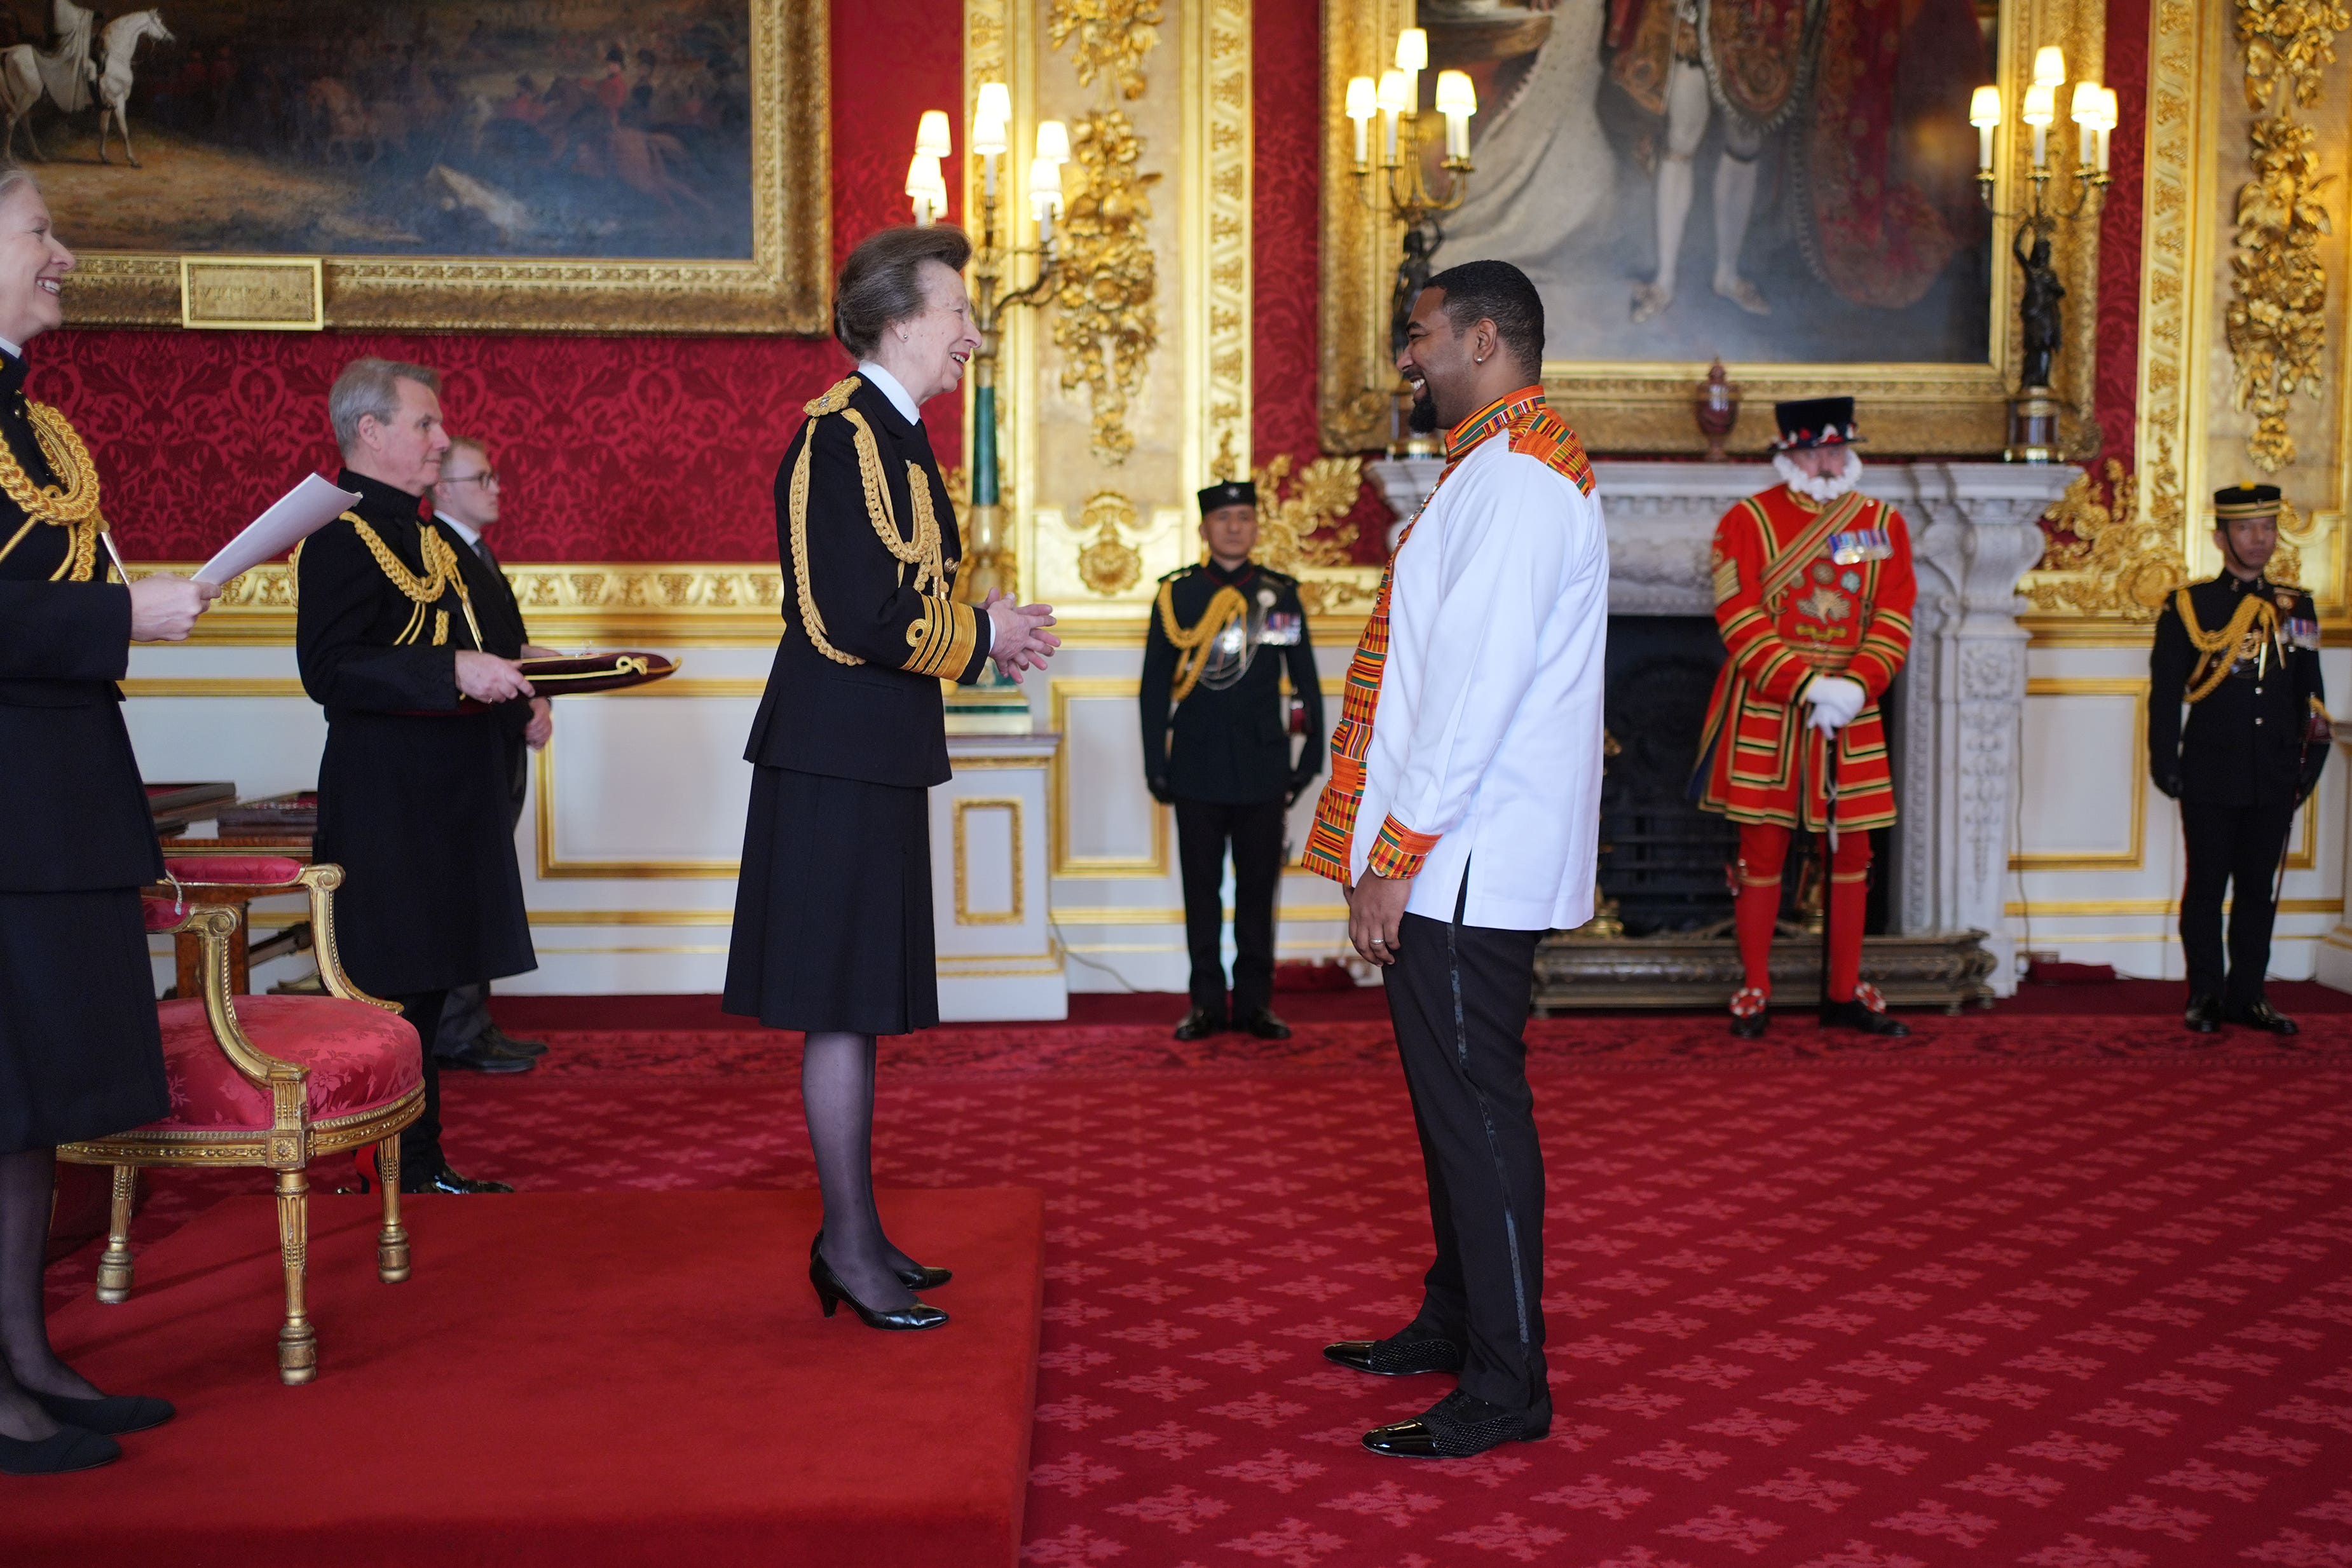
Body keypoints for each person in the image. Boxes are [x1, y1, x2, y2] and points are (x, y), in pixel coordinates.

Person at [723, 224, 1059, 1332]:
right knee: (839, 1010)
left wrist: (984, 633)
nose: (974, 332)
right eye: (959, 312)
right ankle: (849, 1250)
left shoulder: (897, 432)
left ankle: (854, 1234)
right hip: (831, 758)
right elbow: (844, 613)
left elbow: (894, 596)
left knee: (857, 1010)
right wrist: (980, 633)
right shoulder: (841, 436)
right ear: (901, 319)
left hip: (869, 751)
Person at [1304, 259, 1607, 1459]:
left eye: (1422, 334)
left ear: (1485, 339)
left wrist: (1396, 853)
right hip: (1454, 852)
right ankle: (1455, 1315)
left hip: (1465, 859)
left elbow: (1470, 699)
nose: (1409, 355)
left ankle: (1508, 1378)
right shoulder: (1492, 466)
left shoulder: (1523, 482)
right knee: (1448, 1110)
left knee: (1478, 1112)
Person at [0, 163, 214, 1474]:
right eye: (38, 230)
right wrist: (120, 615)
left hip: (55, 807)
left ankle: (23, 1357)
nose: (65, 253)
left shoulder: (34, 425)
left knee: (29, 1110)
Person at [296, 358, 537, 1197]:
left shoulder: (433, 537)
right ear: (370, 432)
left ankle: (421, 1156)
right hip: (387, 798)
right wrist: (448, 671)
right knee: (394, 984)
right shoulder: (336, 538)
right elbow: (329, 670)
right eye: (426, 425)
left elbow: (479, 647)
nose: (441, 439)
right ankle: (384, 1155)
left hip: (451, 791)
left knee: (435, 978)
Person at [1694, 396, 1915, 1039]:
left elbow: (1894, 612)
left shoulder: (1880, 522)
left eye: (1836, 448)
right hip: (1769, 704)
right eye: (1815, 450)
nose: (1828, 461)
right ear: (1787, 452)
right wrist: (1806, 685)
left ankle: (1843, 992)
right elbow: (1738, 617)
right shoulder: (1747, 520)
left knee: (1853, 850)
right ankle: (1754, 989)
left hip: (1850, 708)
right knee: (1760, 848)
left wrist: (1853, 685)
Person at [1138, 479, 1323, 1042]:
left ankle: (1255, 1004)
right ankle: (1206, 1003)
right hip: (1195, 766)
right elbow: (1152, 689)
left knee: (1258, 889)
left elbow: (1305, 682)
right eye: (1224, 518)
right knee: (1201, 889)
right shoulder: (1178, 596)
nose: (1235, 527)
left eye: (1245, 516)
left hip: (1264, 767)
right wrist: (1156, 762)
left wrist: (1310, 757)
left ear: (1257, 526)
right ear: (1204, 529)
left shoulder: (1279, 594)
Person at [2148, 484, 2329, 1035]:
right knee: (2207, 886)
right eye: (2248, 529)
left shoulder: (2296, 606)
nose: (2260, 538)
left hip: (2273, 773)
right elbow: (2164, 692)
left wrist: (2311, 764)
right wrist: (2166, 760)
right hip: (2209, 768)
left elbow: (2311, 696)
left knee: (2257, 888)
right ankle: (2205, 992)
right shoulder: (2189, 606)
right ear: (2221, 537)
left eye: (2269, 527)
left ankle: (2248, 995)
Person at [425, 435, 552, 1075]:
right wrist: (529, 697)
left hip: (495, 740)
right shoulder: (439, 552)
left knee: (481, 887)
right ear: (443, 489)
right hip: (468, 745)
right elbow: (466, 657)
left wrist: (546, 690)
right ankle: (457, 1030)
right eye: (482, 477)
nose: (497, 486)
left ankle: (474, 1024)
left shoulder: (474, 550)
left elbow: (507, 645)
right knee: (464, 891)